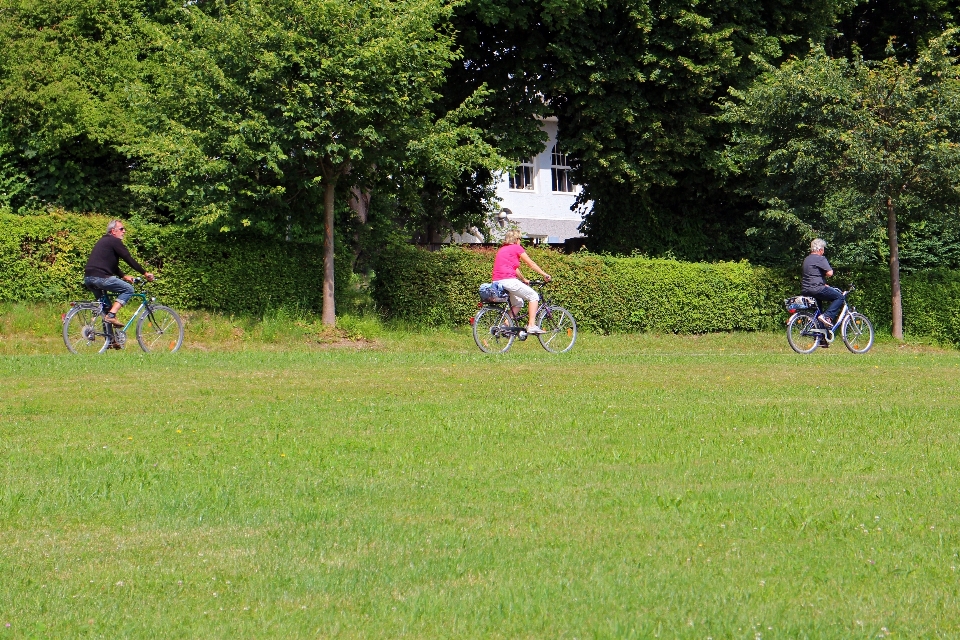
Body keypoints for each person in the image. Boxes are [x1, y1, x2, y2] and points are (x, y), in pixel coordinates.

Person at [84, 220, 154, 327]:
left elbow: (110, 265)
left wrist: (124, 276)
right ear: (113, 231)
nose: (124, 231)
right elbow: (128, 258)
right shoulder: (114, 241)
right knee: (128, 289)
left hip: (89, 278)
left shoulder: (104, 241)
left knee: (105, 310)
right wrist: (145, 273)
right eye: (121, 229)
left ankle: (111, 341)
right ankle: (112, 315)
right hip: (101, 277)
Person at [492, 229, 552, 334]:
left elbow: (514, 268)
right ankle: (531, 325)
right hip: (509, 281)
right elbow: (531, 264)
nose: (520, 241)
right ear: (516, 239)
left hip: (497, 282)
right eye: (520, 239)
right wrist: (544, 274)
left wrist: (523, 279)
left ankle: (504, 327)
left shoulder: (502, 250)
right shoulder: (516, 247)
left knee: (518, 303)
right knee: (533, 296)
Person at [801, 238, 843, 339]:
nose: (823, 251)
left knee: (818, 312)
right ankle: (827, 316)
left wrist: (823, 283)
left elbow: (813, 274)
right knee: (840, 298)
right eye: (823, 248)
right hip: (817, 289)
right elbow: (830, 273)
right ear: (820, 249)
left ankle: (821, 338)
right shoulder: (820, 258)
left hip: (806, 290)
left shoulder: (807, 259)